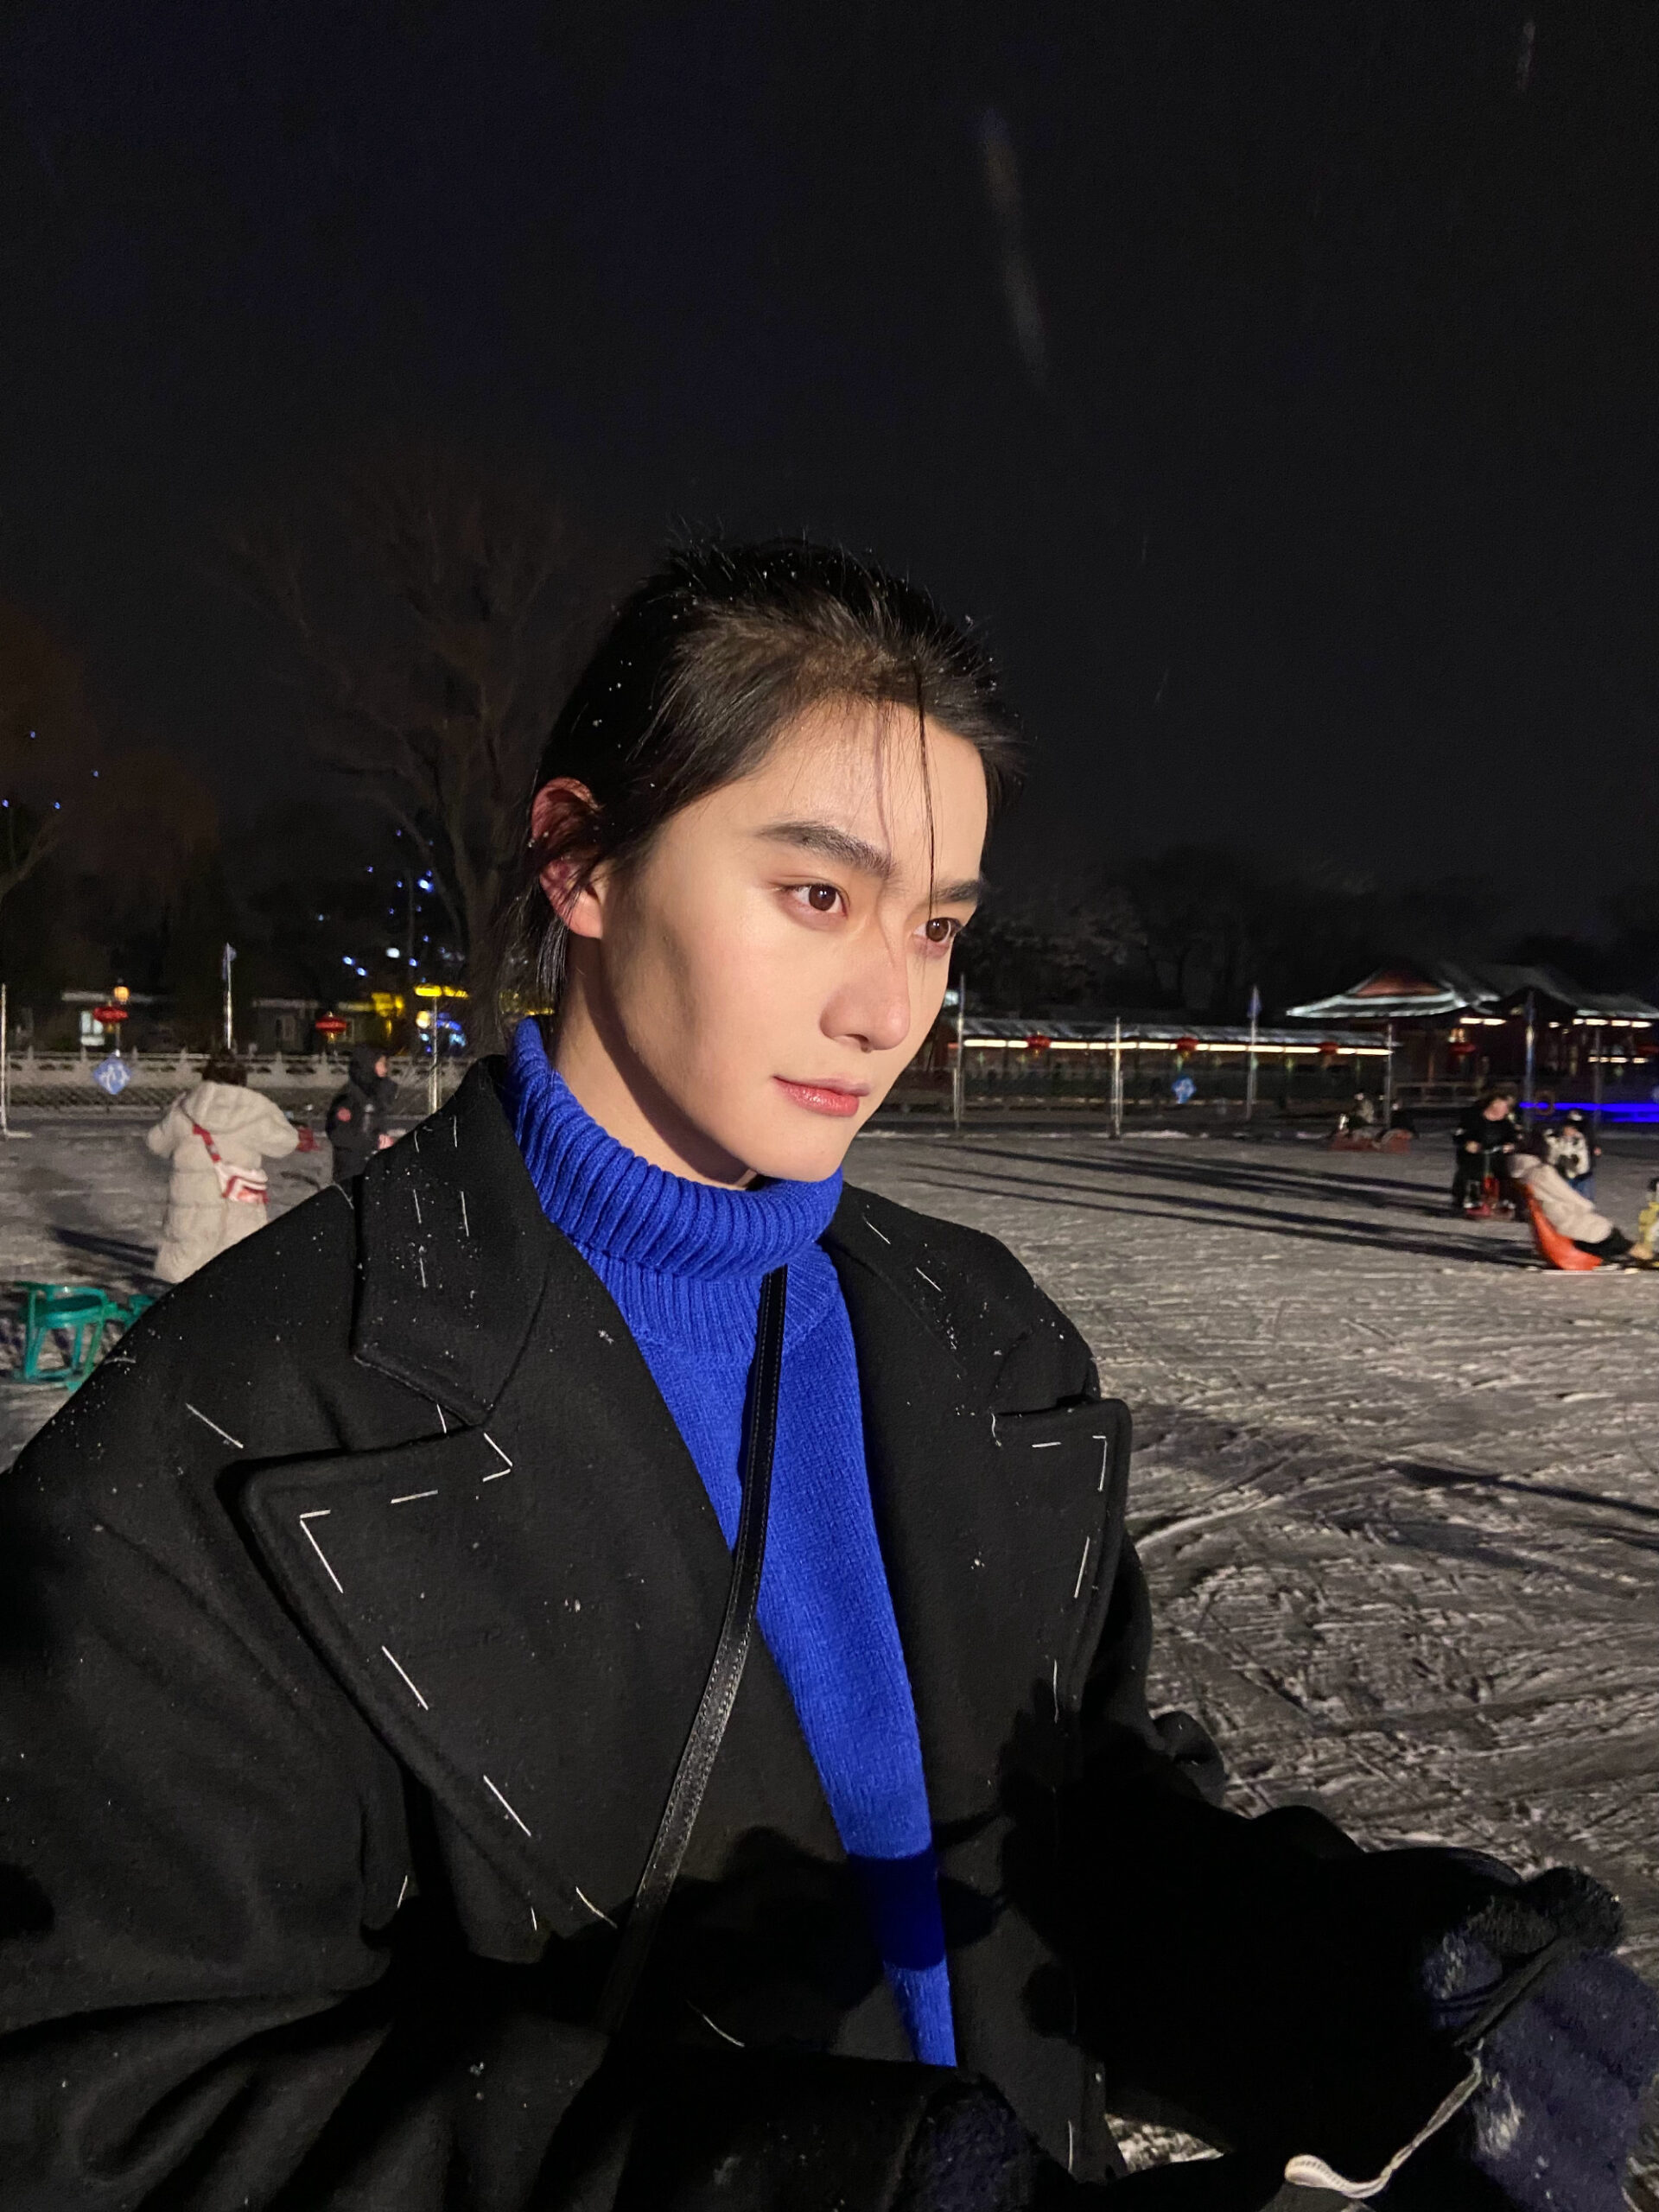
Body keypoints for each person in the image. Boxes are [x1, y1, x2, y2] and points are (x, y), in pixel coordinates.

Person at [2, 543, 1653, 2212]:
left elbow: (1068, 1822)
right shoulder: (221, 1439)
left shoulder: (984, 1335)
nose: (888, 1006)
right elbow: (109, 2113)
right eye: (816, 895)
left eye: (936, 925)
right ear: (579, 858)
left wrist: (1361, 1989)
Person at [143, 1052, 300, 1282]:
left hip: (192, 1205)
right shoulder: (255, 1110)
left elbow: (155, 1143)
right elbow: (286, 1143)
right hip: (238, 1203)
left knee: (188, 1273)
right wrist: (272, 1113)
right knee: (236, 1269)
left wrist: (173, 1110)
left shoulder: (185, 1109)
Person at [1507, 1138, 1647, 1266]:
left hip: (1552, 1217)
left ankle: (1630, 1253)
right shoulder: (1542, 1172)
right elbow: (1565, 1194)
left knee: (1604, 1232)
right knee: (1609, 1233)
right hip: (1564, 1219)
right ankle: (1644, 1255)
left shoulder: (1520, 1173)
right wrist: (1586, 1205)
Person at [326, 1039, 397, 1180]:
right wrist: (374, 1143)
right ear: (369, 1065)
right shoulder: (348, 1097)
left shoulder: (377, 1095)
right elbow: (339, 1135)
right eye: (382, 1063)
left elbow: (377, 1126)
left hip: (373, 1168)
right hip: (352, 1171)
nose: (385, 1069)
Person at [1450, 1085, 1520, 1213]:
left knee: (1505, 1173)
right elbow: (1458, 1135)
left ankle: (1505, 1200)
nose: (1506, 1111)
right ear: (1494, 1104)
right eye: (1504, 1106)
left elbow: (1514, 1139)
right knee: (1469, 1172)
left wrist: (1510, 1145)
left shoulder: (1506, 1124)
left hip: (1496, 1156)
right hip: (1475, 1155)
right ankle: (1466, 1198)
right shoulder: (1472, 1118)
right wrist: (1467, 1143)